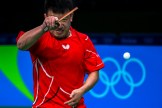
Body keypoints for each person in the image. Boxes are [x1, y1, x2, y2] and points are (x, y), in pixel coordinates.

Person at [16, 0, 104, 107]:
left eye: (64, 19)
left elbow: (94, 72)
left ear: (71, 17)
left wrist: (82, 90)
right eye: (55, 20)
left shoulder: (83, 40)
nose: (59, 25)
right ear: (46, 17)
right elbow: (21, 45)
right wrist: (43, 28)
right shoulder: (39, 38)